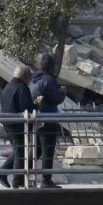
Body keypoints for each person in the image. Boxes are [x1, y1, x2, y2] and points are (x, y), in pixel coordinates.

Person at [30, 53, 67, 189]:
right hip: (48, 120)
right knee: (48, 150)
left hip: (37, 119)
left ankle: (20, 173)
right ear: (51, 67)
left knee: (38, 150)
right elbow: (57, 98)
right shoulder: (48, 80)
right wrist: (63, 92)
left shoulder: (33, 79)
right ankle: (46, 180)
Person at [0, 65, 34, 189]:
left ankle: (3, 172)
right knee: (21, 152)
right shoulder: (22, 87)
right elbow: (27, 108)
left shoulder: (8, 87)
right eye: (30, 77)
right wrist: (37, 105)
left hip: (7, 124)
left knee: (19, 150)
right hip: (17, 125)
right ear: (25, 77)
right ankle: (17, 181)